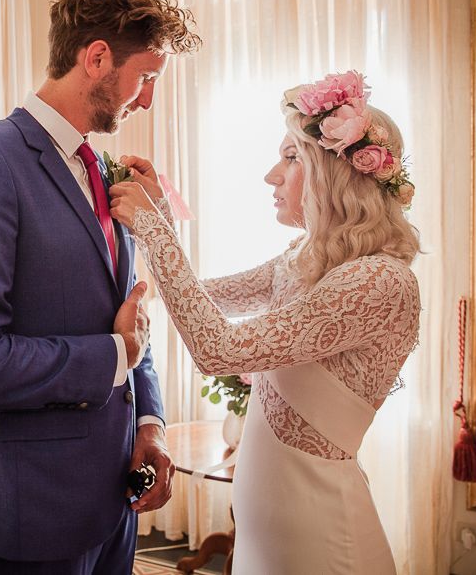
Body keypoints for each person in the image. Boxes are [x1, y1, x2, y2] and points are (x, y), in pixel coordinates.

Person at [0, 0, 200, 574]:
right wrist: (114, 356)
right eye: (147, 77)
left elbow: (131, 322)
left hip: (113, 508)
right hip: (35, 515)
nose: (149, 100)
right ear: (98, 58)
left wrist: (150, 425)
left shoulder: (101, 171)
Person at [109, 71, 421, 574]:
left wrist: (152, 228)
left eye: (291, 157)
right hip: (265, 533)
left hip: (322, 536)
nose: (272, 175)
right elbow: (205, 298)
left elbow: (218, 349)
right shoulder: (304, 257)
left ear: (336, 173)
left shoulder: (379, 282)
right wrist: (161, 220)